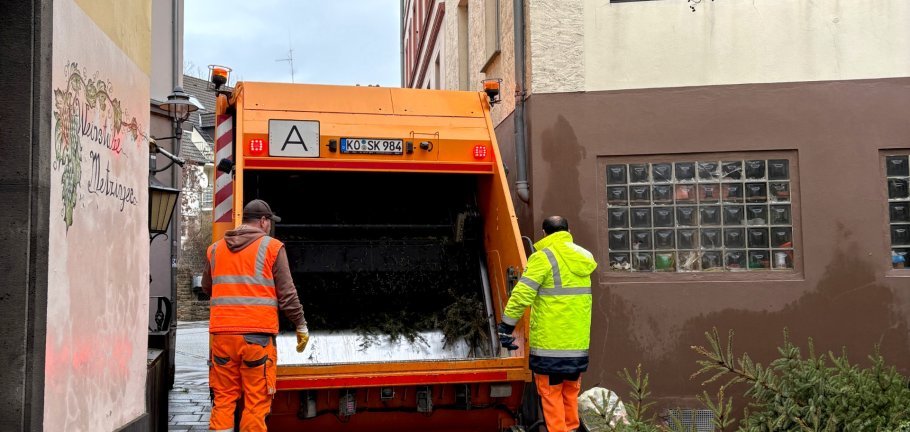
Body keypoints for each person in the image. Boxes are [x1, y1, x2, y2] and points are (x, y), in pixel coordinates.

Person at [202, 199, 309, 432]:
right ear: (262, 221)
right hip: (257, 340)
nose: (270, 226)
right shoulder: (272, 247)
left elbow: (207, 287)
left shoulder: (215, 249)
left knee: (223, 401)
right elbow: (287, 295)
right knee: (255, 405)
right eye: (269, 222)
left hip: (222, 339)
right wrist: (300, 325)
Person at [498, 216, 597, 432]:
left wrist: (506, 326)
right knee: (570, 394)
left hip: (550, 347)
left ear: (544, 233)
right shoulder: (584, 258)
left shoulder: (543, 258)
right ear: (568, 230)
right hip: (577, 347)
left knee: (551, 396)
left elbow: (521, 295)